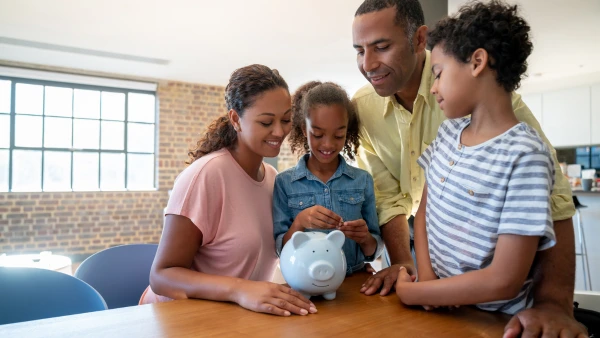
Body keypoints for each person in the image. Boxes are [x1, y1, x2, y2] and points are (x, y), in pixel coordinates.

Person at [351, 0, 586, 336]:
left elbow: (556, 200)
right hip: (439, 298)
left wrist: (554, 303)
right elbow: (397, 202)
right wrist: (414, 272)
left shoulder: (511, 131)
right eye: (359, 50)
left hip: (496, 313)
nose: (367, 63)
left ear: (420, 40)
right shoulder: (374, 111)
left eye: (382, 46)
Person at [395, 0, 555, 315]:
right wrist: (427, 281)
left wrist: (415, 294)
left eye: (438, 74)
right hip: (440, 307)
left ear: (477, 62)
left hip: (493, 319)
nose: (435, 88)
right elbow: (424, 214)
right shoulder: (447, 134)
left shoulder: (526, 156)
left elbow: (504, 280)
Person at [140, 64, 317, 317]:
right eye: (267, 121)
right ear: (236, 119)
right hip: (174, 319)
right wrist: (241, 290)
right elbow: (162, 276)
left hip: (231, 318)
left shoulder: (273, 179)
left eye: (286, 120)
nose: (280, 131)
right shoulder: (206, 175)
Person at [273, 81, 383, 275]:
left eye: (338, 135)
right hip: (305, 284)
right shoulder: (284, 183)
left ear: (347, 132)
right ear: (303, 129)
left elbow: (373, 252)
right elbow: (280, 250)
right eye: (317, 134)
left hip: (354, 283)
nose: (328, 144)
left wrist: (365, 238)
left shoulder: (362, 180)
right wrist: (299, 222)